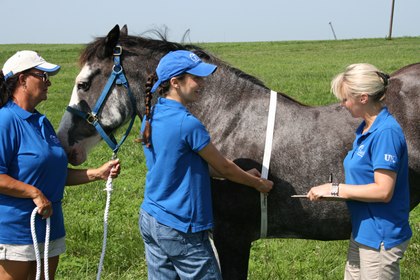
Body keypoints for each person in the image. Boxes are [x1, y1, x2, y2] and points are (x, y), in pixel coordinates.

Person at [139, 50, 273, 279]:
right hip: (181, 225)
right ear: (175, 82)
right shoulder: (188, 124)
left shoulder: (151, 116)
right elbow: (224, 168)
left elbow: (185, 163)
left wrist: (240, 172)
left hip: (151, 217)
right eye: (195, 78)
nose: (202, 83)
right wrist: (257, 183)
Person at [0, 50, 121, 280]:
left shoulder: (41, 121)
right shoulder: (5, 120)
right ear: (23, 80)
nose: (48, 82)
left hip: (49, 227)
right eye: (42, 75)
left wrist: (97, 173)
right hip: (17, 233)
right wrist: (34, 193)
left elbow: (55, 174)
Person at [307, 63, 412, 280]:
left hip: (380, 238)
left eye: (345, 98)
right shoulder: (365, 129)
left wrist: (334, 189)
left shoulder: (386, 133)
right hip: (363, 232)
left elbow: (383, 191)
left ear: (363, 98)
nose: (342, 104)